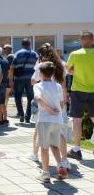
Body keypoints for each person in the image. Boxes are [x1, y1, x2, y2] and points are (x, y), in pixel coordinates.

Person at [29, 43, 70, 171]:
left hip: (44, 103)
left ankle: (35, 154)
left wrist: (40, 86)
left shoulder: (40, 66)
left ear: (41, 55)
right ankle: (64, 160)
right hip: (59, 103)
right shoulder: (61, 65)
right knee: (59, 133)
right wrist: (63, 101)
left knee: (39, 128)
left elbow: (33, 81)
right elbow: (63, 86)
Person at [34, 62, 67, 182]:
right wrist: (57, 111)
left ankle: (46, 173)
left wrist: (49, 109)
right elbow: (62, 103)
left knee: (44, 147)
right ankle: (60, 166)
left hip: (45, 119)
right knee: (54, 144)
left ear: (41, 74)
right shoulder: (58, 86)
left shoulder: (38, 86)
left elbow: (38, 98)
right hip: (58, 120)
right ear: (53, 74)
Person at [66, 30, 94, 161]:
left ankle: (76, 150)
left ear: (81, 41)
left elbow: (68, 70)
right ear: (92, 40)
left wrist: (77, 72)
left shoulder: (75, 54)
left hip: (78, 90)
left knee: (77, 120)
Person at [10, 38, 38, 123]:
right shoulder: (35, 54)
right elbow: (38, 67)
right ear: (29, 44)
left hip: (19, 79)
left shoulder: (18, 53)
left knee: (18, 96)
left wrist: (11, 80)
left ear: (22, 44)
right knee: (30, 98)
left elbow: (12, 67)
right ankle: (27, 116)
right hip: (31, 79)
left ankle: (21, 113)